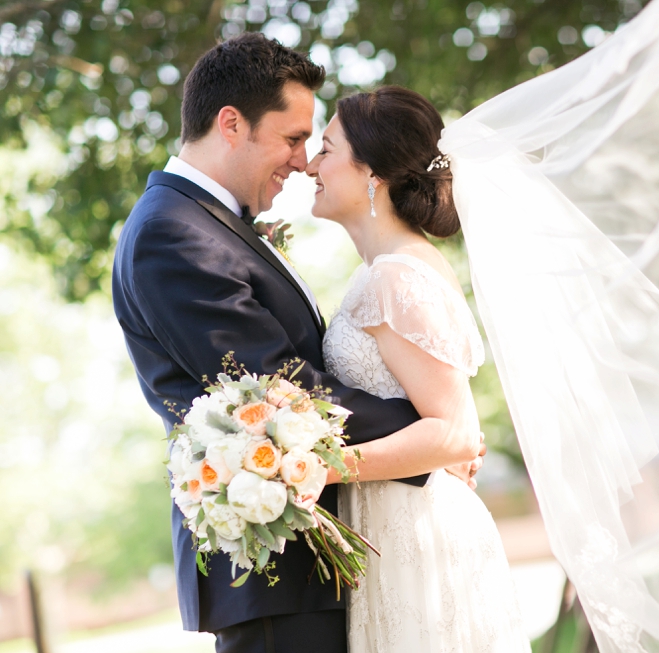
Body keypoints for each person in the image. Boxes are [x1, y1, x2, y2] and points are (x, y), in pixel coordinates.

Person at [112, 34, 483, 653]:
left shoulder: (209, 225)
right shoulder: (173, 235)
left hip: (312, 560)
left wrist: (442, 429)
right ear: (231, 124)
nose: (303, 159)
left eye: (314, 143)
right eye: (291, 138)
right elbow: (282, 390)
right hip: (273, 565)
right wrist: (432, 429)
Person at [306, 86, 531, 651]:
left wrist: (315, 471)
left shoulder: (397, 277)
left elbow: (454, 434)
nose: (310, 165)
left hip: (419, 534)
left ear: (371, 174)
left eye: (326, 149)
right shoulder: (387, 271)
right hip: (392, 525)